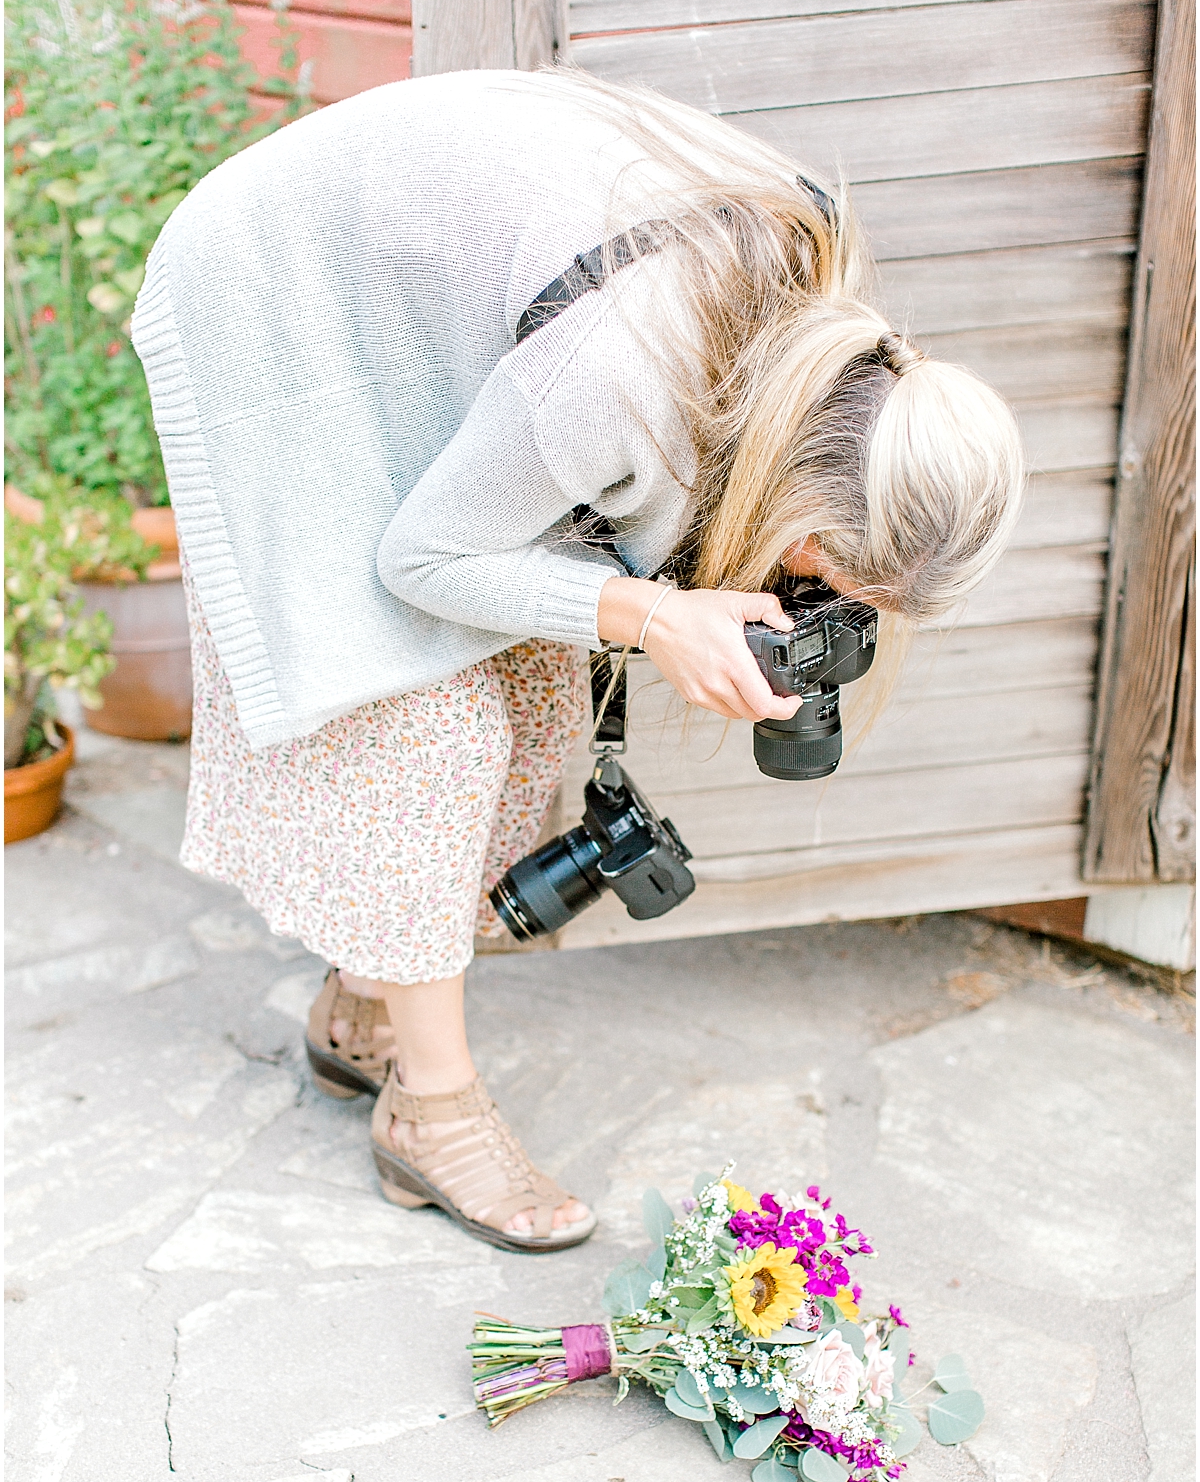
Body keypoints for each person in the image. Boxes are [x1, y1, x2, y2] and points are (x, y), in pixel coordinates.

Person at [132, 68, 1024, 1256]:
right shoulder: (623, 376)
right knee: (421, 726)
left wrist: (642, 602)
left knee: (532, 672)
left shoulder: (847, 363)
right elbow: (425, 559)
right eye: (821, 564)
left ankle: (365, 1004)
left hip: (424, 288)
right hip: (280, 292)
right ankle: (431, 1112)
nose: (812, 596)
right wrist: (658, 618)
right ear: (808, 483)